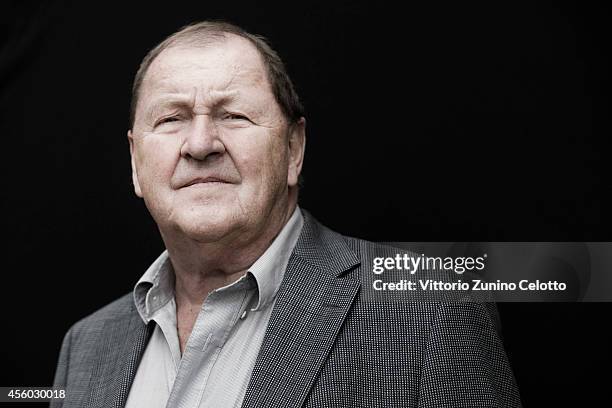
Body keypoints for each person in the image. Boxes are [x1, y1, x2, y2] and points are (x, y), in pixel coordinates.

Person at [51, 21, 522, 408]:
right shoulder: (86, 346)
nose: (199, 145)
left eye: (233, 115)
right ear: (136, 164)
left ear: (293, 149)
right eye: (170, 119)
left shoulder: (432, 311)